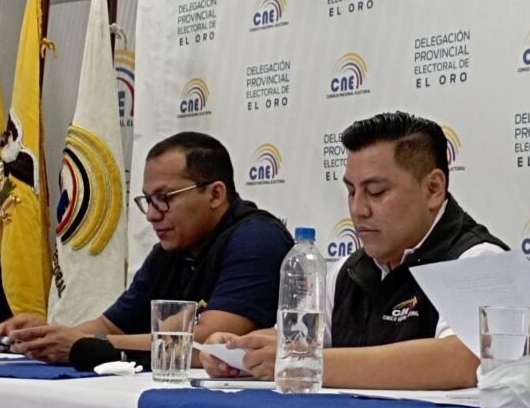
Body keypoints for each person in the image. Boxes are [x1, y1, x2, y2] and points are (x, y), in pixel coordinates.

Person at [201, 111, 509, 389]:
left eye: (376, 192)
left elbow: (460, 360)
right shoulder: (347, 272)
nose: (358, 209)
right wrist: (240, 349)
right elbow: (300, 341)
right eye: (351, 191)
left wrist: (303, 363)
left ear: (433, 189)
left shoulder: (480, 262)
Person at [0, 131, 294, 364]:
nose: (151, 215)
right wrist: (43, 336)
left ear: (215, 194)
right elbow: (111, 326)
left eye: (164, 198)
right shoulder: (170, 250)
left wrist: (83, 345)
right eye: (148, 200)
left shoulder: (257, 239)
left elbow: (205, 344)